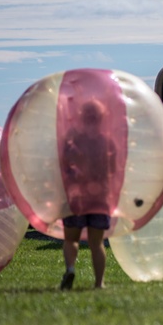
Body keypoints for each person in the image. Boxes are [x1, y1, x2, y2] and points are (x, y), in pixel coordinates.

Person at [58, 100, 117, 291]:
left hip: (77, 196)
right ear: (101, 119)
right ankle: (99, 283)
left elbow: (63, 166)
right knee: (96, 242)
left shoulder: (72, 139)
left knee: (71, 239)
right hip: (100, 197)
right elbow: (114, 169)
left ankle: (70, 268)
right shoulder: (107, 142)